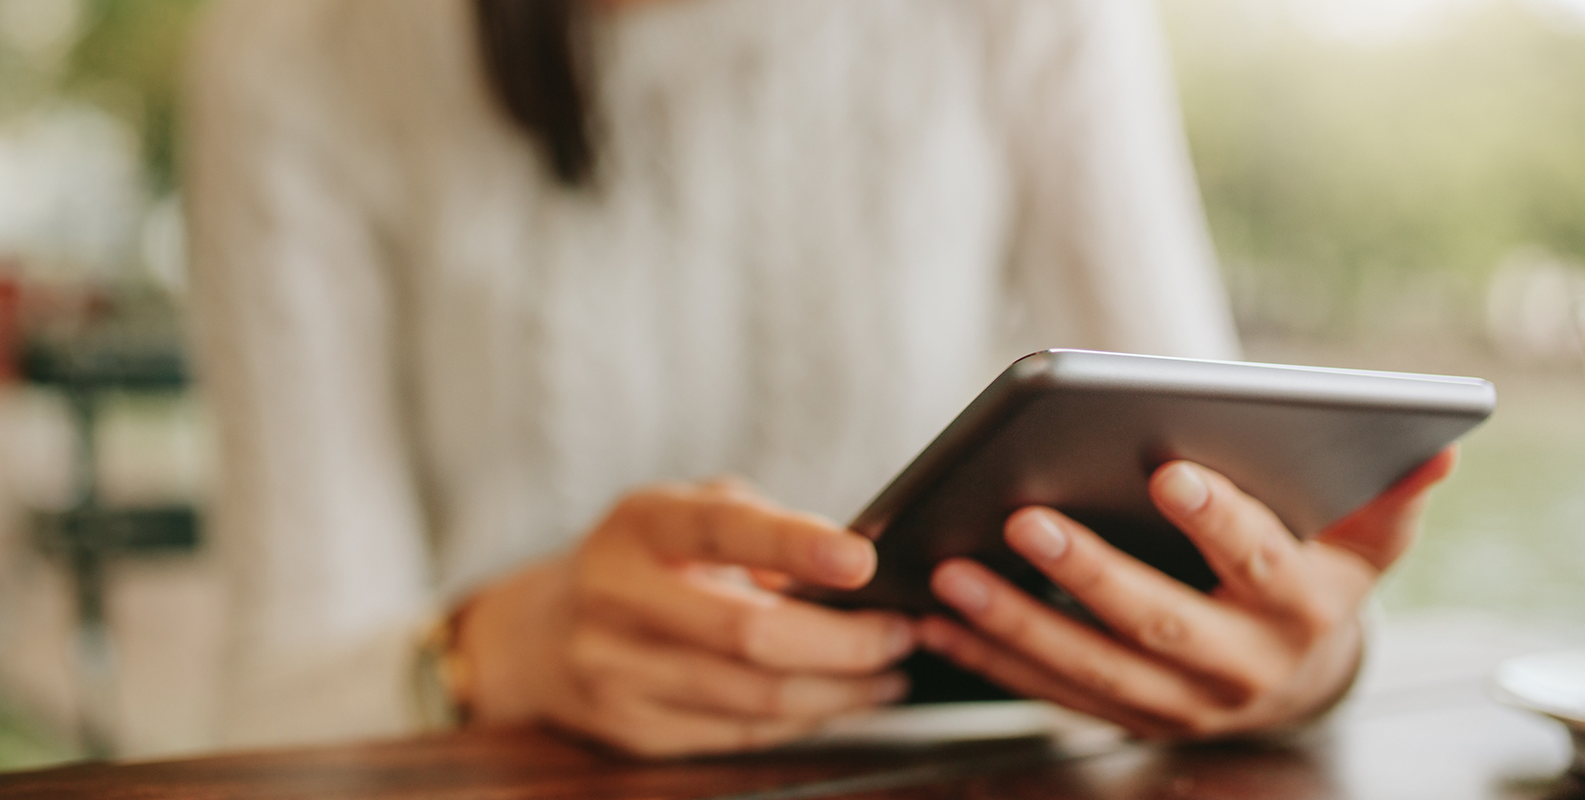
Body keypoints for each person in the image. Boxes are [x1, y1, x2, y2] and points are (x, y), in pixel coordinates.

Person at [182, 0, 1453, 755]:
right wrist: (488, 653)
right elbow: (275, 697)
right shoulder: (295, 42)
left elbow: (1204, 504)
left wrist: (1297, 663)